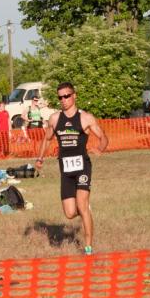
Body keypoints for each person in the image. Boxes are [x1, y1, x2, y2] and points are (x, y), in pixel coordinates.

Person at [34, 82, 108, 256]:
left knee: (81, 204)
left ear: (74, 96)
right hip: (65, 170)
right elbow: (47, 139)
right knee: (69, 213)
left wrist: (100, 148)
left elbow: (103, 137)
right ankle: (85, 210)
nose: (63, 100)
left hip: (83, 167)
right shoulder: (55, 118)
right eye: (60, 97)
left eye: (66, 96)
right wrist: (40, 158)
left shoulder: (85, 118)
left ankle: (88, 247)